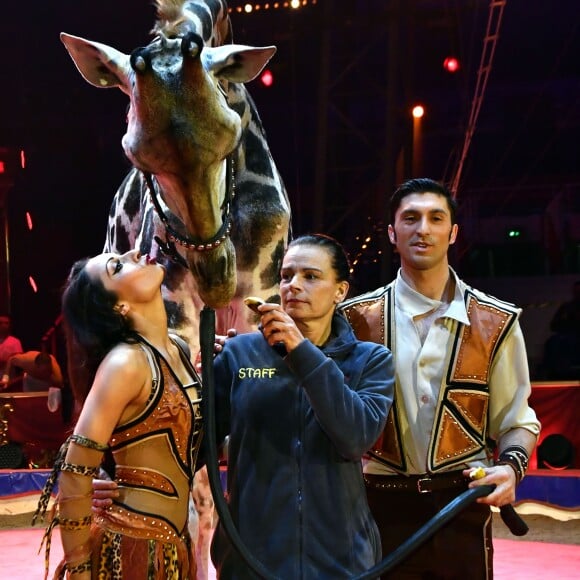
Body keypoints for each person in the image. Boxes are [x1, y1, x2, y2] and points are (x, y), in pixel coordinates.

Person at [340, 178, 541, 579]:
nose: (423, 229)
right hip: (375, 507)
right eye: (410, 219)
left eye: (436, 218)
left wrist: (511, 467)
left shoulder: (495, 320)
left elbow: (516, 421)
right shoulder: (354, 319)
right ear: (393, 234)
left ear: (452, 234)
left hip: (461, 504)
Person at [210, 234, 395, 578]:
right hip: (250, 562)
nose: (293, 285)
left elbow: (355, 437)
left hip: (341, 562)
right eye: (286, 276)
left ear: (340, 291)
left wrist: (302, 352)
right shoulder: (240, 354)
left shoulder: (371, 360)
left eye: (310, 276)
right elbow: (192, 445)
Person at [33, 249, 203, 579]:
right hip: (130, 551)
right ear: (119, 307)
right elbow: (74, 469)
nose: (135, 252)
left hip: (173, 547)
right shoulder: (126, 363)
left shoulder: (177, 348)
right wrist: (80, 571)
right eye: (118, 265)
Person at [540, 280, 580, 379]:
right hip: (567, 335)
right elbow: (554, 325)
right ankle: (551, 373)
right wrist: (567, 323)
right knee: (553, 343)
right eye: (576, 291)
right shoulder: (566, 307)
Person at [0, 314, 23, 380]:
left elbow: (20, 362)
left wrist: (7, 361)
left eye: (6, 323)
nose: (3, 325)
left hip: (9, 379)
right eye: (0, 323)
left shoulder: (15, 341)